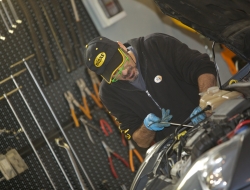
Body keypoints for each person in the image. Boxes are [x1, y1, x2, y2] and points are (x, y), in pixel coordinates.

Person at [84, 33, 217, 149]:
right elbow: (141, 142)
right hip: (181, 147)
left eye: (122, 63)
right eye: (116, 73)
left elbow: (203, 68)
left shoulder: (155, 45)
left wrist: (206, 103)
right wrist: (147, 128)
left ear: (122, 47)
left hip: (214, 122)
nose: (125, 72)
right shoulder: (109, 94)